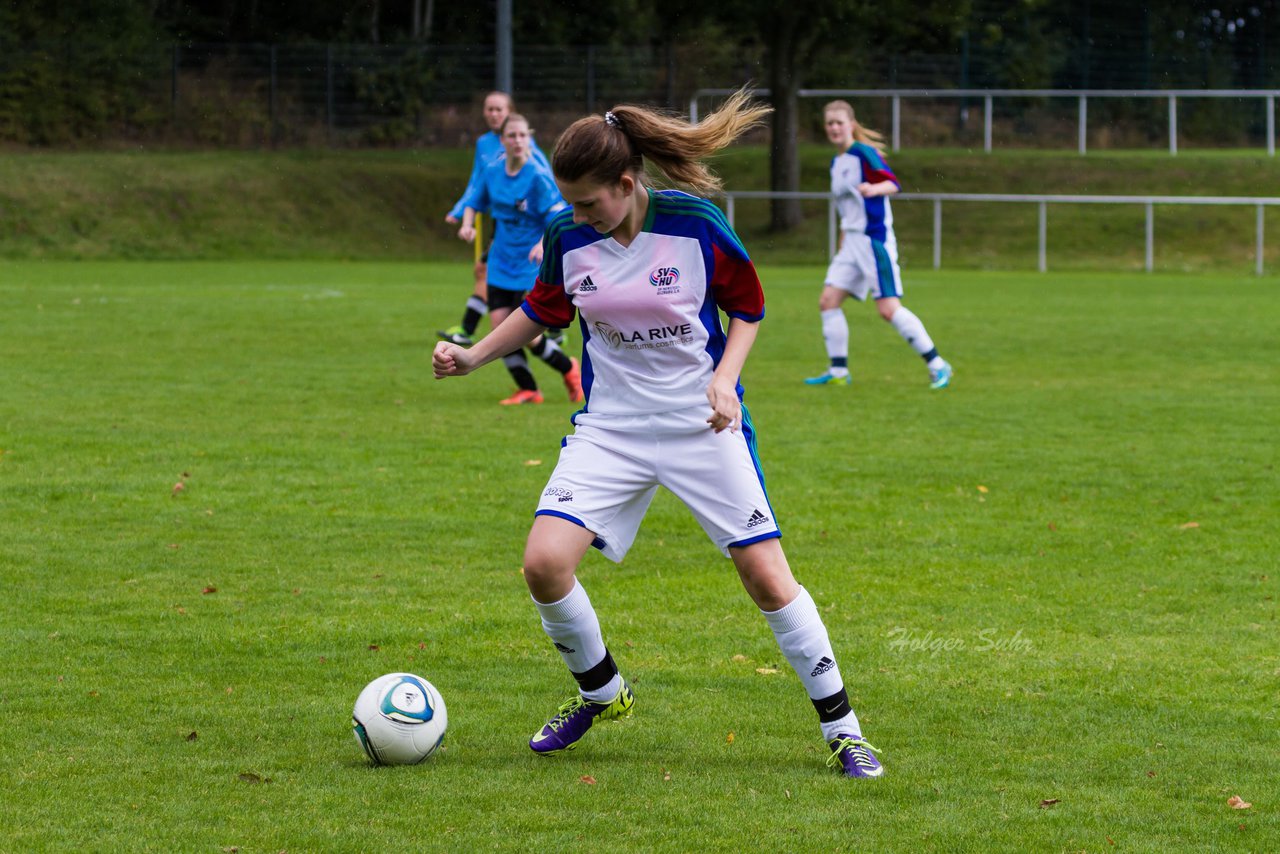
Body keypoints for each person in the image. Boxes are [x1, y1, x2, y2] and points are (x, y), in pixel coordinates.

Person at [433, 89, 884, 778]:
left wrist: (726, 380)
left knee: (766, 578)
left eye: (588, 203)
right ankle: (603, 693)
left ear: (626, 183)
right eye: (571, 204)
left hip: (700, 423)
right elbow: (542, 310)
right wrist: (473, 356)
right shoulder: (567, 237)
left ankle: (845, 732)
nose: (576, 215)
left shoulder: (694, 224)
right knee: (544, 564)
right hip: (611, 429)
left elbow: (749, 308)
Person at [804, 99, 953, 390]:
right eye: (829, 123)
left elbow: (893, 184)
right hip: (851, 244)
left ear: (851, 124)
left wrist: (873, 188)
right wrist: (842, 244)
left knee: (888, 309)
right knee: (828, 301)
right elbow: (846, 213)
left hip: (874, 242)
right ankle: (838, 371)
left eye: (839, 122)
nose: (834, 128)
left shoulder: (864, 154)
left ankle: (938, 365)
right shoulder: (837, 162)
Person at [456, 113, 581, 405]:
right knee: (500, 328)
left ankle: (569, 369)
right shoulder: (492, 171)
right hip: (501, 260)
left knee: (527, 332)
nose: (517, 141)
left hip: (530, 263)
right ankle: (529, 388)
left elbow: (557, 216)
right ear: (502, 141)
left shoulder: (537, 177)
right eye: (511, 136)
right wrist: (466, 223)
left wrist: (541, 243)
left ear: (530, 138)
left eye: (523, 135)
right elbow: (475, 200)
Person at [440, 91, 552, 347]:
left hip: (526, 226)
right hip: (501, 221)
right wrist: (461, 213)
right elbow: (476, 184)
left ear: (509, 112)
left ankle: (472, 328)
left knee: (494, 278)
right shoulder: (484, 144)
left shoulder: (524, 146)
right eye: (489, 109)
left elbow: (546, 184)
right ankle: (472, 328)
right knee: (484, 272)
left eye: (498, 109)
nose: (493, 114)